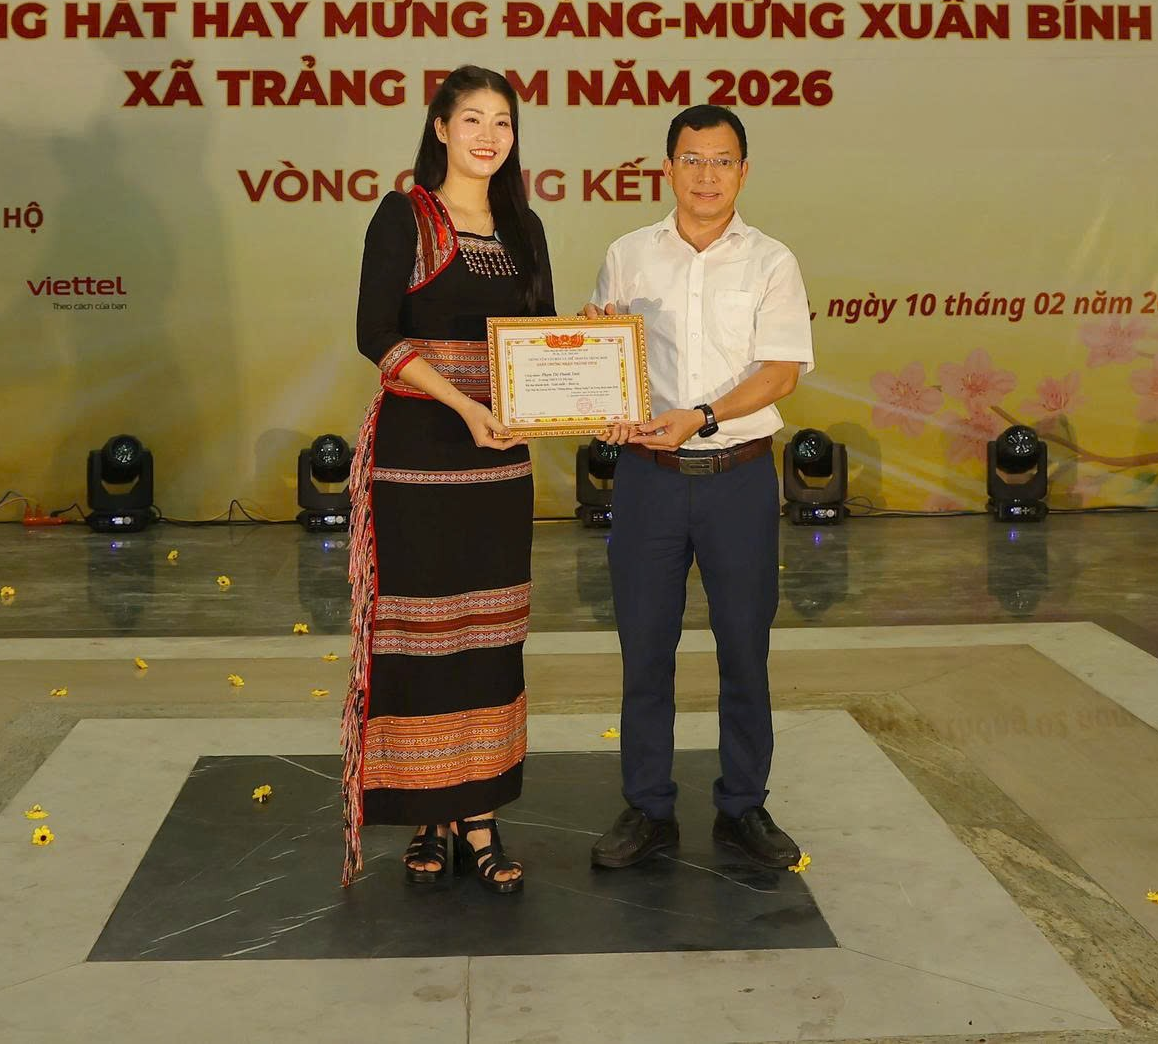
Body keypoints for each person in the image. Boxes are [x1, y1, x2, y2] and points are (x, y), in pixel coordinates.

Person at [586, 105, 813, 872]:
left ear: (743, 172)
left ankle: (743, 804)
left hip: (737, 479)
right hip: (646, 481)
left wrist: (703, 415)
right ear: (667, 168)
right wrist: (594, 364)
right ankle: (647, 806)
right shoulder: (627, 255)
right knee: (644, 649)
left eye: (722, 160)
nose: (706, 175)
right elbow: (606, 360)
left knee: (745, 647)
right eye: (692, 159)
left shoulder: (772, 261)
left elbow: (780, 373)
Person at [342, 66, 552, 892]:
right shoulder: (404, 215)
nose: (488, 135)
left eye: (502, 121)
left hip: (501, 462)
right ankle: (428, 817)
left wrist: (579, 365)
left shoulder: (525, 227)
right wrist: (464, 404)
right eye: (472, 118)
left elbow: (540, 339)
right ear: (439, 127)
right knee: (422, 635)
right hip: (420, 456)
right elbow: (377, 334)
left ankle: (480, 814)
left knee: (492, 635)